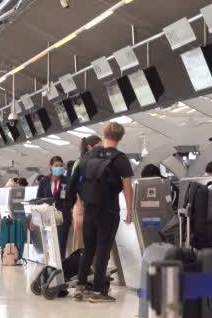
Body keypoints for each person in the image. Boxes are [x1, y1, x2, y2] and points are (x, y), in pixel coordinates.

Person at [71, 123, 133, 303]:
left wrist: (78, 204)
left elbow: (76, 180)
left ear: (104, 135)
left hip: (90, 208)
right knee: (103, 249)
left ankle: (80, 286)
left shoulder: (89, 156)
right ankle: (98, 291)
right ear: (120, 137)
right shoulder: (120, 159)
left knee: (88, 249)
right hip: (109, 209)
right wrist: (129, 211)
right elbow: (128, 188)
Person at [68, 135, 103, 251]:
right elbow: (75, 188)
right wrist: (79, 213)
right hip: (82, 206)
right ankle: (79, 268)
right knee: (81, 243)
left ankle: (93, 268)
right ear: (89, 147)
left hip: (95, 208)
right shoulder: (80, 163)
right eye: (99, 147)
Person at [37, 156, 72, 262]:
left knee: (61, 242)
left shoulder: (67, 181)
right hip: (48, 216)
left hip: (63, 216)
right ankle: (50, 265)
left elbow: (72, 198)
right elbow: (39, 198)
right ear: (51, 167)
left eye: (61, 166)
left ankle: (61, 267)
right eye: (56, 166)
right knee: (49, 242)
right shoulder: (44, 181)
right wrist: (36, 216)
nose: (59, 168)